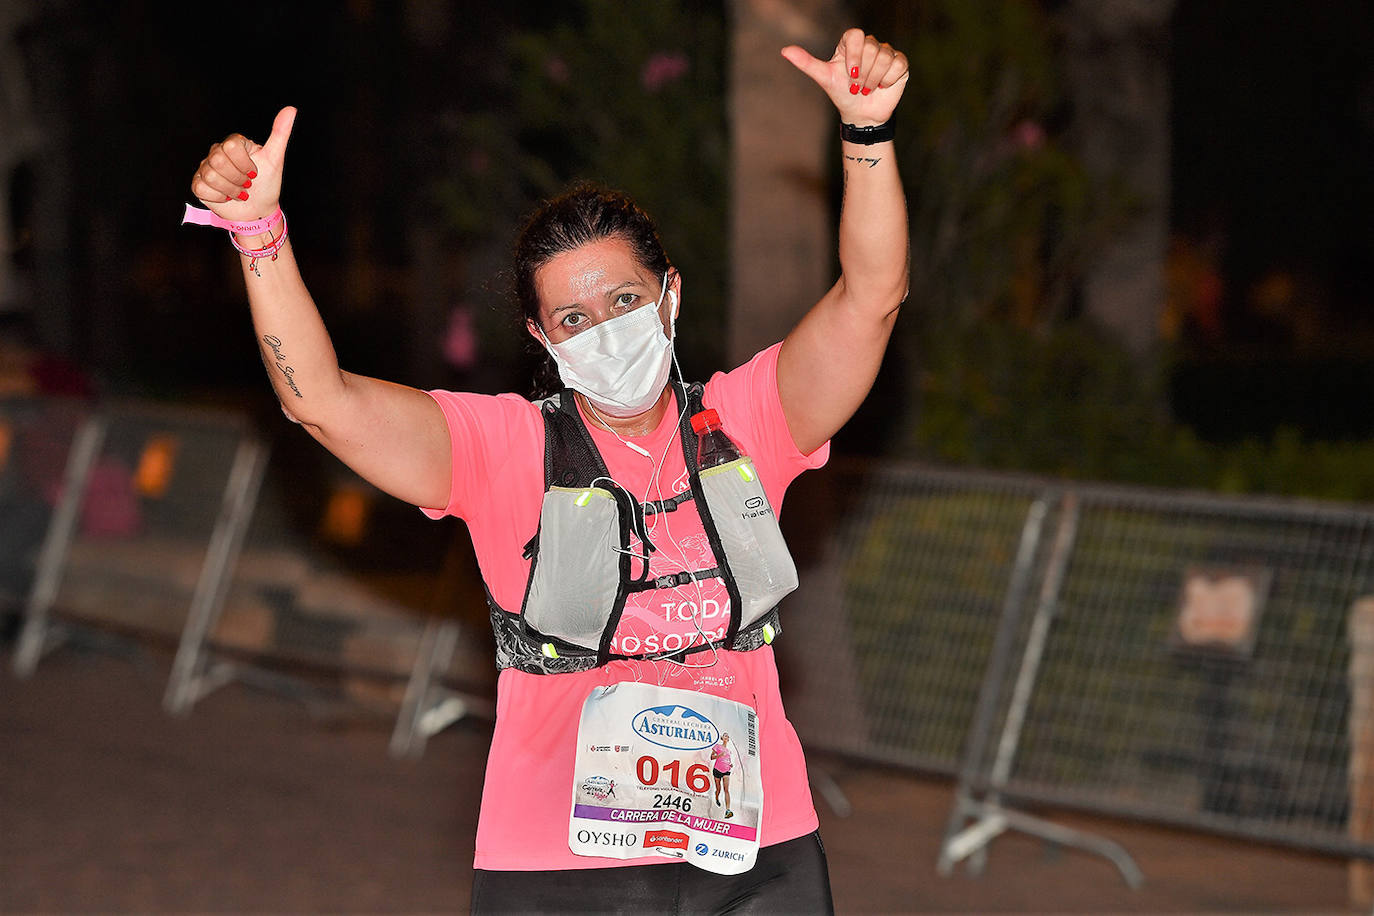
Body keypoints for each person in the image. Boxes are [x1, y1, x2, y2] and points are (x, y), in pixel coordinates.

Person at [187, 26, 908, 916]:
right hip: (559, 866)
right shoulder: (504, 451)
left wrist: (867, 139)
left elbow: (871, 297)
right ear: (541, 339)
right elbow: (321, 402)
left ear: (670, 296)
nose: (603, 330)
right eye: (571, 319)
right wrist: (258, 232)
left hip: (757, 848)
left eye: (624, 300)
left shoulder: (752, 418)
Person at [710, 732, 734, 819]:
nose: (726, 736)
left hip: (726, 771)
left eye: (728, 736)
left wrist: (730, 765)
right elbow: (711, 757)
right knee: (718, 789)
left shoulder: (729, 751)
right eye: (725, 735)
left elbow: (728, 760)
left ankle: (728, 810)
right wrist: (719, 755)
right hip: (717, 770)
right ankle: (716, 797)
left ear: (728, 739)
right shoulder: (717, 746)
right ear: (722, 738)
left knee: (726, 790)